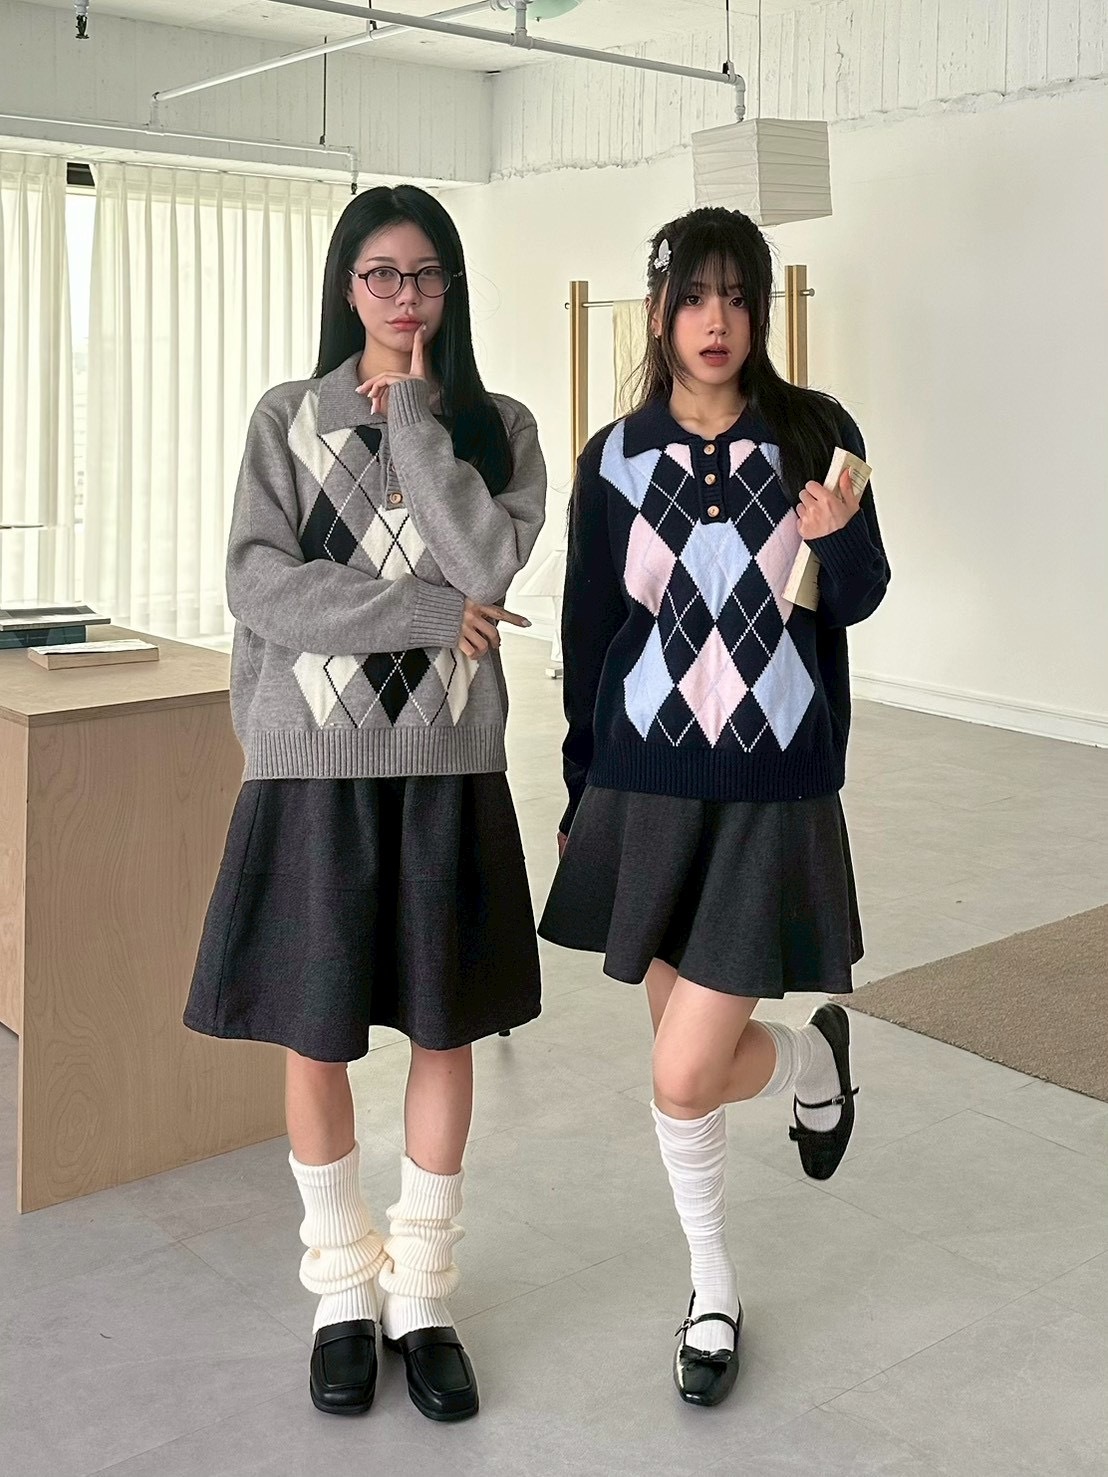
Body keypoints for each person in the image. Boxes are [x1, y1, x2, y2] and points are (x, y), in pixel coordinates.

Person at [184, 184, 547, 1423]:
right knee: (318, 1035)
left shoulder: (497, 427)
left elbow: (488, 559)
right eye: (381, 274)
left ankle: (423, 1294)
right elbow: (260, 587)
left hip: (446, 764)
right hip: (315, 767)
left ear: (451, 288)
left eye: (426, 274)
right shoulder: (287, 417)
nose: (405, 296)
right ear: (346, 285)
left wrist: (416, 428)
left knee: (444, 1035)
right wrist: (428, 613)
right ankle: (343, 1288)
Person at [540, 206, 889, 1407]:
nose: (717, 319)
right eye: (694, 295)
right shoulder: (612, 457)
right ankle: (716, 1270)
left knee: (685, 1072)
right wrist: (580, 784)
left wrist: (842, 540)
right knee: (677, 1063)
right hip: (644, 783)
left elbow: (858, 595)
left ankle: (728, 1244)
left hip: (770, 781)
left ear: (760, 310)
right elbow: (591, 630)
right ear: (657, 310)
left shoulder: (816, 433)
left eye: (738, 295)